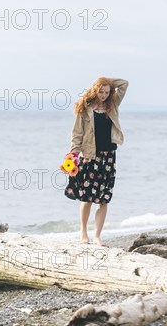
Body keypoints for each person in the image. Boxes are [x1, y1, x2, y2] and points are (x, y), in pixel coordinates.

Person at [64, 77, 129, 245]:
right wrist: (73, 154)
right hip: (89, 156)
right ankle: (83, 231)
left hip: (108, 157)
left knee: (103, 199)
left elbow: (124, 84)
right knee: (87, 198)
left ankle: (98, 236)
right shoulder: (84, 108)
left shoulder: (112, 104)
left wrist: (107, 81)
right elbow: (77, 133)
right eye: (101, 91)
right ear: (94, 89)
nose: (104, 95)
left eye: (107, 92)